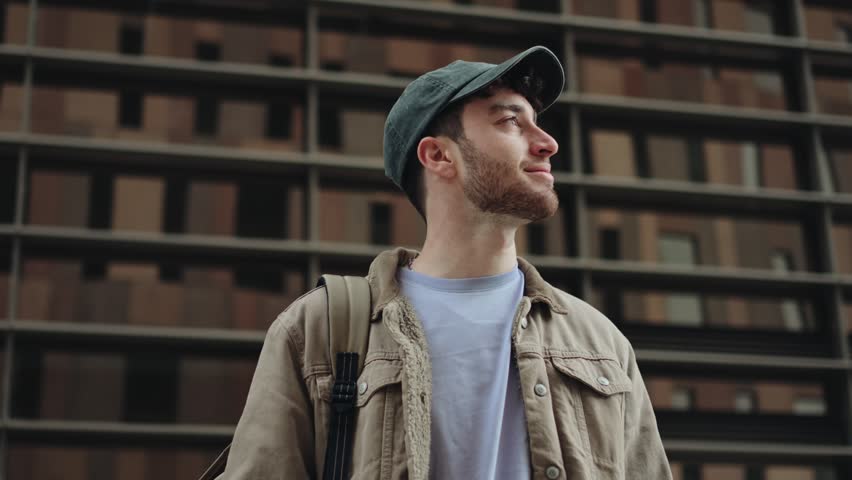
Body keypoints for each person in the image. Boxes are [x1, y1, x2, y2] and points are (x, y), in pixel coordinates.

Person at [218, 46, 672, 480]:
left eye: (538, 123)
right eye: (512, 122)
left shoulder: (599, 342)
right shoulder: (318, 330)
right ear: (438, 155)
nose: (548, 143)